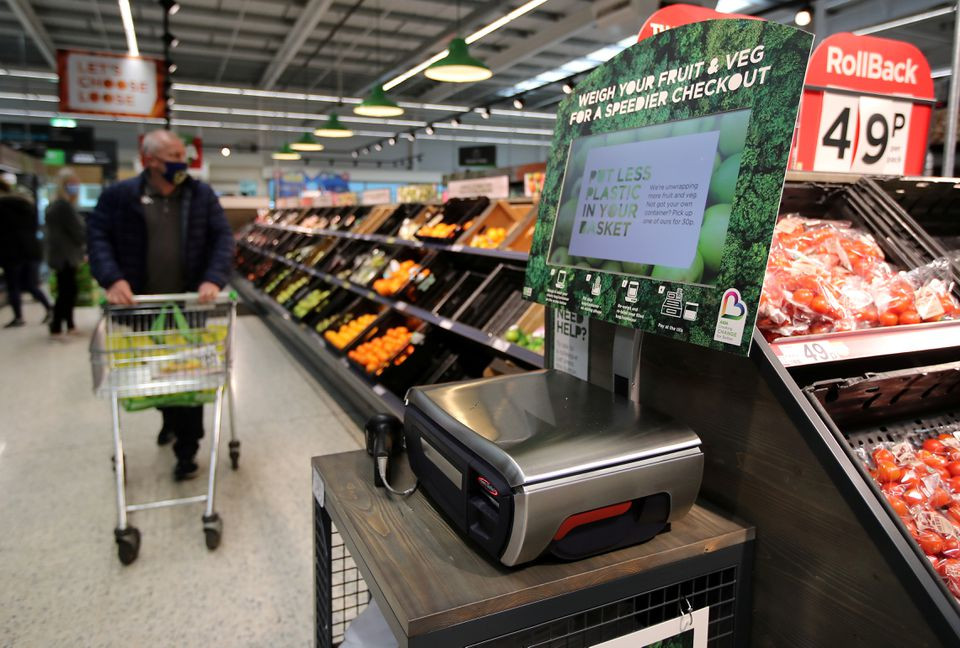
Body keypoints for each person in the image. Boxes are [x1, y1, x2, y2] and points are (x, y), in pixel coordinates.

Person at [88, 129, 234, 480]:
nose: (182, 164)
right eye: (173, 158)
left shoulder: (199, 194)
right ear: (150, 160)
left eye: (184, 157)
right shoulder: (120, 196)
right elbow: (98, 239)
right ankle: (169, 417)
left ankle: (188, 450)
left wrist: (214, 277)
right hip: (142, 306)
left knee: (189, 375)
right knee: (157, 374)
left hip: (189, 305)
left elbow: (222, 238)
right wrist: (113, 278)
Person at [0, 177, 52, 327]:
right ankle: (49, 307)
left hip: (11, 252)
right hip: (31, 250)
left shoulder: (2, 207)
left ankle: (18, 317)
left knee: (13, 286)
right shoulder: (26, 204)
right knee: (30, 284)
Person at [45, 168, 86, 336]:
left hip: (59, 255)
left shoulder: (54, 205)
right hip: (65, 257)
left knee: (66, 290)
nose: (75, 187)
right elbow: (79, 231)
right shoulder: (64, 206)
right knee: (67, 292)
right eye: (72, 184)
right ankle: (59, 325)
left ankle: (66, 324)